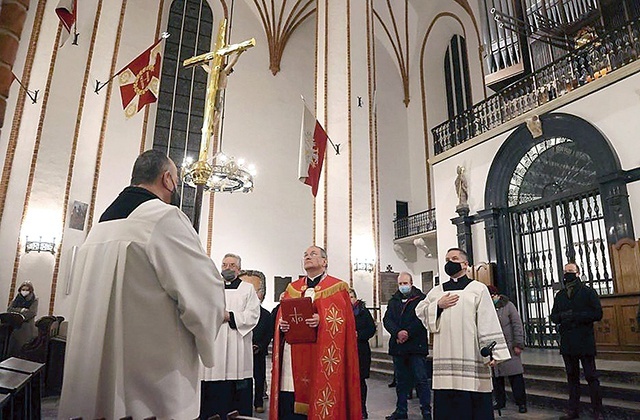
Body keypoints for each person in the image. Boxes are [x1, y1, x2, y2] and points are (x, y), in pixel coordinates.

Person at [58, 149, 226, 420]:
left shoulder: (100, 226)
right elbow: (204, 294)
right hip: (149, 383)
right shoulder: (165, 218)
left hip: (92, 375)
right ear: (168, 179)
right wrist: (208, 338)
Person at [415, 247, 510, 420]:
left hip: (471, 355)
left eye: (454, 259)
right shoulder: (438, 291)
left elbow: (487, 321)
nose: (449, 263)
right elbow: (420, 311)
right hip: (445, 356)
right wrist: (437, 305)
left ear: (465, 264)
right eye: (447, 259)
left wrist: (494, 352)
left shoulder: (478, 289)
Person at [270, 246, 361, 419]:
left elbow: (345, 322)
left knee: (320, 391)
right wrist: (282, 326)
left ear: (324, 262)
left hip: (321, 351)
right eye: (305, 255)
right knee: (291, 395)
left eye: (313, 254)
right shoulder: (293, 288)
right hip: (294, 352)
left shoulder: (337, 287)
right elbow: (283, 315)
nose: (308, 257)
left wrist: (322, 320)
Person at [200, 253, 261, 419]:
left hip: (237, 345)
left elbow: (254, 315)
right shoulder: (210, 287)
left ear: (239, 269)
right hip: (214, 342)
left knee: (236, 390)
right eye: (225, 265)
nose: (227, 268)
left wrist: (230, 316)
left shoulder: (247, 289)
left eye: (232, 265)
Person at [550, 263, 604, 420]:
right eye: (566, 271)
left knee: (591, 376)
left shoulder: (588, 292)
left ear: (578, 273)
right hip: (568, 342)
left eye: (571, 271)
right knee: (572, 377)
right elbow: (553, 316)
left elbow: (597, 313)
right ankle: (573, 410)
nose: (567, 274)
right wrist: (561, 317)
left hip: (584, 340)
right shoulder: (560, 295)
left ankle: (598, 411)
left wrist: (576, 315)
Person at [383, 272, 431, 420]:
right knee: (401, 381)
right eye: (400, 284)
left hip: (416, 345)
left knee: (421, 380)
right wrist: (397, 332)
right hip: (398, 346)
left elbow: (421, 319)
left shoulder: (421, 299)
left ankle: (426, 411)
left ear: (411, 282)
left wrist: (407, 333)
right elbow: (387, 319)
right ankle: (401, 410)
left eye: (405, 283)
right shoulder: (394, 300)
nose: (403, 286)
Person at [487, 284, 527, 413]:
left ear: (496, 295)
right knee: (497, 378)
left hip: (509, 346)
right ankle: (500, 401)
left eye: (492, 296)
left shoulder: (508, 306)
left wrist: (518, 343)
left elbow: (517, 324)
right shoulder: (486, 308)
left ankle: (521, 403)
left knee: (515, 377)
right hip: (494, 347)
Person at [240, 269, 273, 414]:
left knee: (259, 377)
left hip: (257, 351)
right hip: (241, 349)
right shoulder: (240, 313)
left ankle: (258, 401)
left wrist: (259, 345)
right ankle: (243, 401)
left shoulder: (266, 314)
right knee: (244, 378)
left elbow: (268, 333)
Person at [348, 288, 377, 419]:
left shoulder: (363, 311)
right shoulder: (341, 312)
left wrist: (358, 335)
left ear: (356, 298)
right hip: (346, 352)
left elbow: (371, 329)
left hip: (361, 351)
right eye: (347, 297)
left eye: (352, 297)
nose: (350, 299)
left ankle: (362, 408)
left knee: (360, 381)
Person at [7, 281, 38, 356]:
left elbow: (31, 313)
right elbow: (9, 309)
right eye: (23, 289)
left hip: (26, 327)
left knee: (23, 348)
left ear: (30, 291)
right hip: (15, 327)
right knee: (13, 348)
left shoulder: (34, 300)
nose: (24, 291)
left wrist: (17, 312)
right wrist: (21, 310)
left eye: (27, 290)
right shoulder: (17, 299)